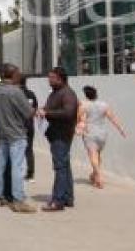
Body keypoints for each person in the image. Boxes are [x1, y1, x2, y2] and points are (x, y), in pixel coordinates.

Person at [0, 64, 37, 213]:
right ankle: (18, 200)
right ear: (13, 75)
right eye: (18, 73)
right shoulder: (16, 92)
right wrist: (34, 110)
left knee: (0, 164)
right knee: (18, 166)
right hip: (16, 133)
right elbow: (28, 113)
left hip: (0, 131)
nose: (20, 76)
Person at [36, 67, 79, 212]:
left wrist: (47, 112)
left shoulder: (67, 94)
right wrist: (43, 110)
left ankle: (58, 200)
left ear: (60, 78)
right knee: (64, 165)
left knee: (60, 167)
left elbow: (68, 112)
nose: (49, 80)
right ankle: (67, 197)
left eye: (52, 78)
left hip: (62, 135)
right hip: (55, 134)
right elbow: (51, 108)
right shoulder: (55, 93)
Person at [77, 86, 126, 189]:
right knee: (98, 155)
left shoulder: (83, 106)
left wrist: (78, 128)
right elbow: (112, 118)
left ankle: (99, 177)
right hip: (102, 134)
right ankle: (94, 175)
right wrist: (121, 129)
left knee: (92, 156)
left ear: (86, 95)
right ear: (96, 94)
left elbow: (80, 120)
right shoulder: (104, 105)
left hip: (90, 133)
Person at [20, 76, 38, 182]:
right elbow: (35, 109)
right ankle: (30, 174)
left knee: (17, 149)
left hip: (18, 125)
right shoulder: (31, 94)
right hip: (29, 125)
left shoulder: (15, 94)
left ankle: (18, 173)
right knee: (29, 149)